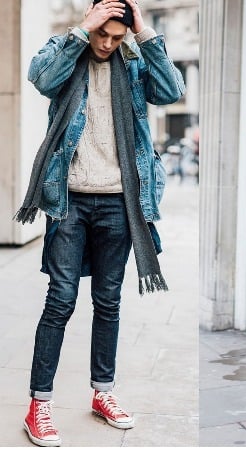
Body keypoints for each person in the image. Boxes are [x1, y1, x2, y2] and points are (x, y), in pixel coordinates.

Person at [15, 0, 184, 446]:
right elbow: (42, 78)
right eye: (100, 34)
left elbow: (170, 91)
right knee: (61, 300)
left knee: (108, 301)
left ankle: (102, 393)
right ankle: (40, 405)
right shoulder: (66, 50)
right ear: (90, 23)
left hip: (119, 201)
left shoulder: (132, 59)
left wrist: (144, 34)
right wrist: (79, 33)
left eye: (116, 35)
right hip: (68, 198)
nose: (107, 44)